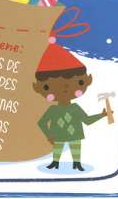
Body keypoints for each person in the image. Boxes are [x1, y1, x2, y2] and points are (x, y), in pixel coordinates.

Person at [33, 40, 108, 171]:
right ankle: (56, 163)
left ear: (87, 81)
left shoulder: (75, 108)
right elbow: (41, 123)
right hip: (59, 135)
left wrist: (102, 115)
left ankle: (76, 163)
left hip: (74, 135)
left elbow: (87, 120)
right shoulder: (53, 110)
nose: (65, 88)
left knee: (75, 148)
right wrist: (49, 135)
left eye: (79, 82)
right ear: (38, 88)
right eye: (48, 86)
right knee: (58, 148)